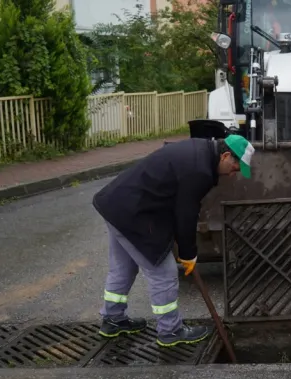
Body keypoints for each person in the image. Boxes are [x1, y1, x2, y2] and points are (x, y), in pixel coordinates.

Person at [92, 134, 255, 347]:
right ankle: (170, 331)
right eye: (235, 167)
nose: (233, 174)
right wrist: (188, 254)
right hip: (133, 212)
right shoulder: (201, 171)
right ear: (225, 156)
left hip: (115, 203)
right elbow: (185, 214)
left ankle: (112, 319)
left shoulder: (200, 150)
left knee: (123, 267)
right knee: (164, 272)